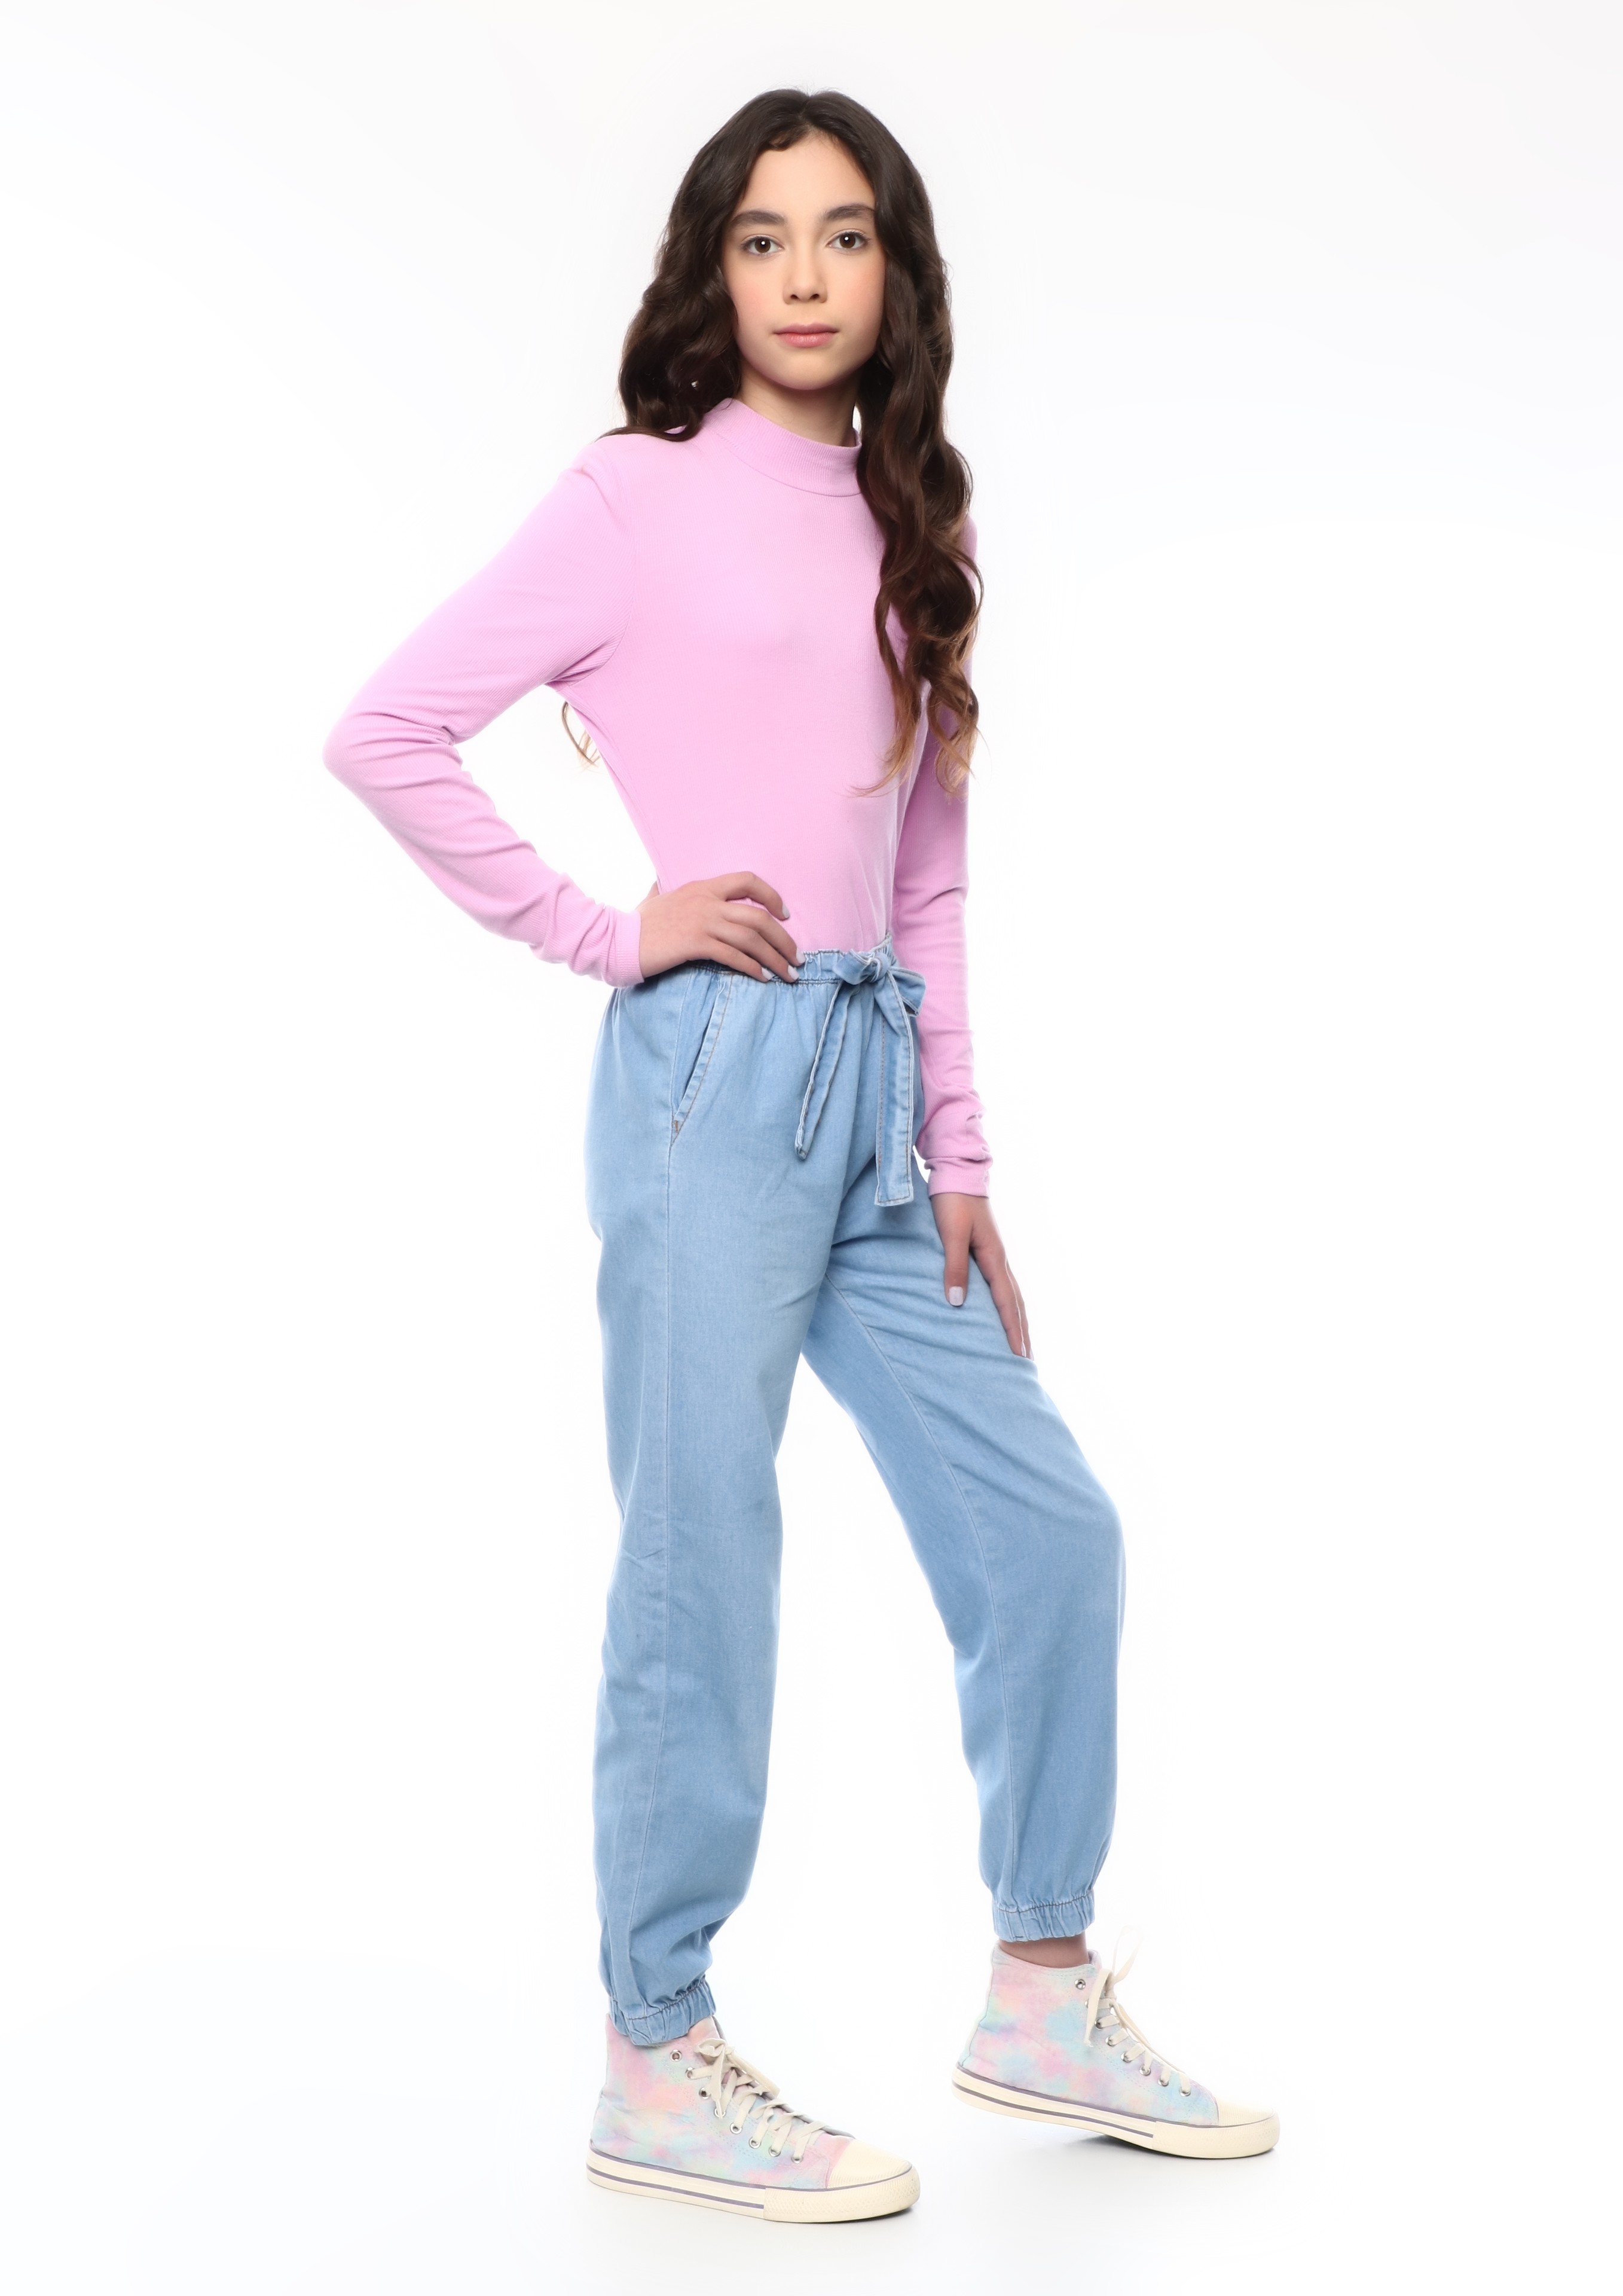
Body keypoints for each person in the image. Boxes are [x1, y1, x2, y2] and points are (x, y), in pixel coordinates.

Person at [323, 87, 1277, 2224]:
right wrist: (608, 929)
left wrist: (959, 1149)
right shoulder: (632, 496)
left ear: (896, 271)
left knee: (1049, 1529)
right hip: (709, 1080)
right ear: (711, 267)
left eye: (844, 236)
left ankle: (1041, 1989)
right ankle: (654, 2053)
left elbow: (923, 876)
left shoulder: (915, 519)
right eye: (762, 239)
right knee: (703, 1563)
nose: (804, 277)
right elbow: (384, 731)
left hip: (871, 1100)